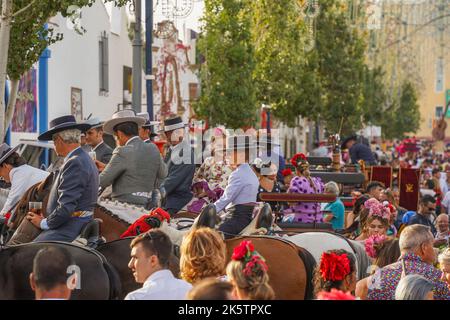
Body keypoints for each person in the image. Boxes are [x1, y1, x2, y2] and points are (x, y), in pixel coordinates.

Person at [27, 115, 98, 242]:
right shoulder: (82, 157)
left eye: (53, 141)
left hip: (70, 225)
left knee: (27, 252)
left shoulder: (74, 162)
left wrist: (44, 223)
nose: (54, 146)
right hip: (71, 221)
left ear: (59, 140)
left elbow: (66, 207)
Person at [356, 225, 450, 300]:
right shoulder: (440, 278)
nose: (434, 250)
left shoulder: (377, 276)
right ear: (424, 247)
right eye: (432, 245)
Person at [97, 109, 167, 207]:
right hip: (146, 204)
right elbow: (163, 174)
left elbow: (103, 180)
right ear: (136, 130)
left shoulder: (122, 151)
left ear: (120, 134)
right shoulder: (153, 148)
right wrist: (146, 191)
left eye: (115, 136)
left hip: (123, 206)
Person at [214, 135, 259, 239]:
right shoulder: (251, 172)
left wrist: (209, 210)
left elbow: (226, 199)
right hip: (244, 218)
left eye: (230, 152)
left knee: (211, 237)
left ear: (242, 154)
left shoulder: (238, 174)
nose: (227, 155)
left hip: (236, 220)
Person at [125, 230, 192, 300]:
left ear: (153, 260)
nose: (130, 264)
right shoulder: (190, 290)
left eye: (135, 257)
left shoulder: (135, 297)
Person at [185, 131, 232, 214]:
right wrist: (201, 193)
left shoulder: (230, 163)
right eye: (219, 145)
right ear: (213, 145)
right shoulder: (208, 161)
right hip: (208, 199)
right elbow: (198, 178)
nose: (222, 149)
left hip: (224, 200)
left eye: (225, 146)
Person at [0, 144, 49, 218]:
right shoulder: (24, 170)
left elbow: (10, 204)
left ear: (5, 166)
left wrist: (2, 215)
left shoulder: (19, 175)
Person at [159, 116, 196, 215]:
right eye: (169, 133)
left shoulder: (185, 152)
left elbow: (172, 181)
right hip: (167, 199)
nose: (171, 136)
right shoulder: (171, 150)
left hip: (176, 201)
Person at [282, 153, 325, 223]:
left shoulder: (296, 181)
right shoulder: (317, 181)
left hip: (302, 220)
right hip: (318, 220)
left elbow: (291, 202)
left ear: (296, 170)